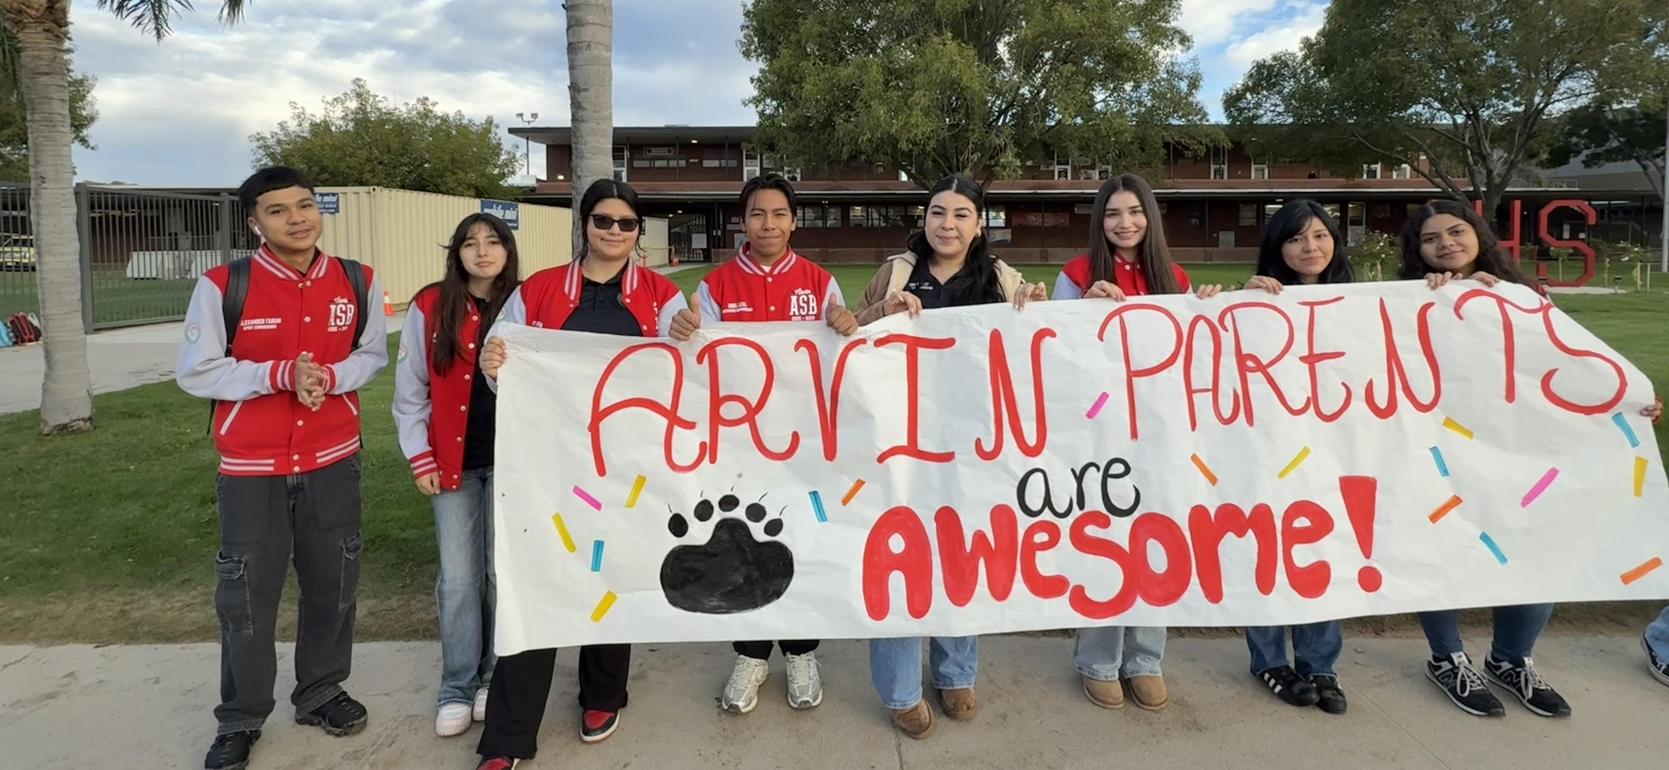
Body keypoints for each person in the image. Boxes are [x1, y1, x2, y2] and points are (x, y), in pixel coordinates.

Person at [472, 179, 687, 770]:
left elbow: (688, 375)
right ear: (583, 224)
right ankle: (508, 738)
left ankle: (603, 693)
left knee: (610, 576)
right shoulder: (539, 291)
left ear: (637, 231)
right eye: (602, 220)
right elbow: (501, 365)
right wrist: (494, 364)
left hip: (628, 465)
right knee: (536, 585)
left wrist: (690, 340)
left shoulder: (664, 297)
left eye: (625, 223)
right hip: (549, 464)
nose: (613, 232)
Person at [177, 166, 387, 770]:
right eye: (278, 210)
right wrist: (280, 376)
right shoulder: (223, 285)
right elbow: (198, 371)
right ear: (254, 222)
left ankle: (321, 690)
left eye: (306, 205)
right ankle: (241, 718)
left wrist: (327, 377)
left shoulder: (358, 279)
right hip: (251, 470)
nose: (297, 218)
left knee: (334, 586)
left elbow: (371, 354)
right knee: (246, 598)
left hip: (333, 462)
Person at [852, 174, 1046, 738]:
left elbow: (1035, 339)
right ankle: (899, 688)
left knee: (964, 554)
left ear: (979, 223)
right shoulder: (896, 271)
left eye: (962, 214)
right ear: (925, 218)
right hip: (900, 443)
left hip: (974, 446)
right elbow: (849, 335)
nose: (948, 224)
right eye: (938, 212)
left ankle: (957, 670)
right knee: (899, 552)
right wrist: (883, 311)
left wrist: (1033, 307)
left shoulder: (1002, 276)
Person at [667, 172, 859, 715]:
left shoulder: (820, 282)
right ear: (742, 221)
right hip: (738, 446)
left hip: (804, 445)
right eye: (757, 214)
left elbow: (840, 358)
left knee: (801, 542)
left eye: (778, 214)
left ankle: (801, 652)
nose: (768, 224)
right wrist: (682, 331)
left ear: (794, 220)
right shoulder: (716, 286)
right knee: (739, 545)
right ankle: (750, 655)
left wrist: (843, 324)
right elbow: (695, 364)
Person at [1051, 173, 1219, 713]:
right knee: (1105, 540)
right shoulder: (1076, 274)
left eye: (1135, 212)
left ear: (1151, 216)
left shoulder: (1175, 277)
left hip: (1162, 433)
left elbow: (1196, 354)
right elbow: (1053, 354)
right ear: (1099, 222)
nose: (1125, 223)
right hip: (1101, 435)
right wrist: (1081, 312)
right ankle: (1098, 657)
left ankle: (1145, 656)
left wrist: (1209, 308)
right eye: (1112, 214)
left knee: (1160, 537)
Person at [393, 213, 519, 737]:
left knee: (499, 575)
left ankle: (494, 676)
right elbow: (410, 390)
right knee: (460, 580)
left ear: (509, 251)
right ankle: (457, 685)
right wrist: (419, 456)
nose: (482, 252)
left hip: (514, 464)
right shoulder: (429, 305)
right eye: (471, 243)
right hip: (453, 466)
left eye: (493, 242)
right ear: (457, 253)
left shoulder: (526, 303)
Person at [1241, 200, 1352, 714]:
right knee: (1266, 548)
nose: (1310, 248)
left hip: (1336, 453)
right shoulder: (1255, 299)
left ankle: (1319, 662)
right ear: (1276, 248)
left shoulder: (1366, 303)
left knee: (1324, 552)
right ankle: (1268, 658)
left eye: (1320, 236)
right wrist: (1236, 306)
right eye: (1296, 238)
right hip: (1268, 451)